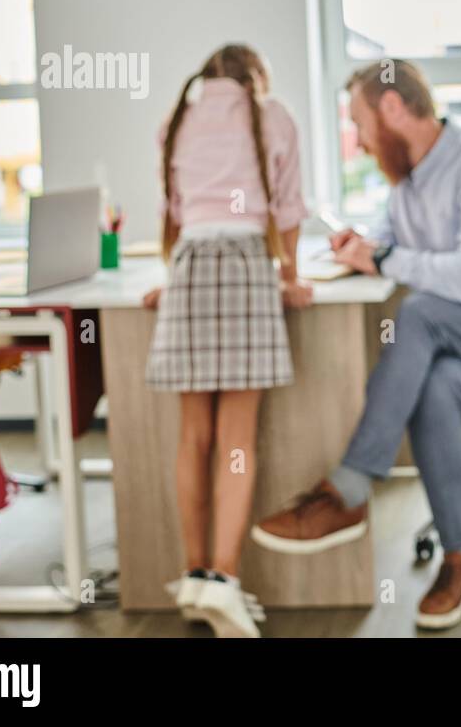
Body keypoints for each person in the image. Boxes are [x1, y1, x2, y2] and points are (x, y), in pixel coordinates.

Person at [252, 59, 461, 631]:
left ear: (392, 110)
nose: (360, 138)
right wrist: (364, 246)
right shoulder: (407, 184)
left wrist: (384, 258)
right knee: (433, 388)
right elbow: (391, 243)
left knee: (417, 314)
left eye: (360, 122)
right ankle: (459, 558)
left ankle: (347, 489)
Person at [143, 44, 314, 638]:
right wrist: (289, 275)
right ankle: (223, 581)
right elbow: (287, 210)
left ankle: (193, 578)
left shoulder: (177, 121)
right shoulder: (275, 116)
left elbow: (177, 211)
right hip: (244, 265)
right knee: (237, 440)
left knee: (193, 437)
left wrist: (170, 283)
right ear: (254, 79)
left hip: (189, 266)